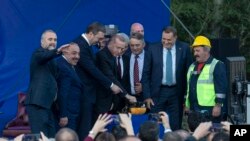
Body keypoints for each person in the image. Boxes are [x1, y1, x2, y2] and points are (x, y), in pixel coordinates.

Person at [142, 26, 193, 130]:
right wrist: (147, 96)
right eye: (163, 39)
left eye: (168, 39)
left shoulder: (184, 48)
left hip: (176, 92)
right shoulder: (152, 48)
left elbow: (189, 74)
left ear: (175, 38)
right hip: (158, 92)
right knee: (155, 124)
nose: (165, 42)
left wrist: (187, 97)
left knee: (175, 124)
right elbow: (146, 74)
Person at [25, 29, 69, 137]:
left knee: (51, 137)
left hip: (48, 106)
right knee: (40, 137)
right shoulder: (38, 53)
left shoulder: (52, 60)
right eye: (50, 39)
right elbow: (44, 56)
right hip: (37, 104)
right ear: (42, 42)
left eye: (55, 39)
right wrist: (58, 51)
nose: (53, 42)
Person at [185, 35, 227, 122]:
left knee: (211, 133)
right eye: (194, 51)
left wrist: (218, 105)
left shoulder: (217, 65)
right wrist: (187, 104)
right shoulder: (192, 66)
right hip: (194, 107)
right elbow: (188, 87)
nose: (195, 53)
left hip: (210, 108)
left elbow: (221, 88)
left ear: (206, 50)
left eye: (198, 51)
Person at [95, 34, 136, 114]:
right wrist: (127, 95)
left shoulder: (112, 56)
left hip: (111, 101)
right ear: (111, 44)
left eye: (122, 49)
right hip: (100, 101)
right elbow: (110, 77)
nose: (120, 51)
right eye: (118, 48)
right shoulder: (102, 56)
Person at [56, 43, 83, 131]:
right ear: (65, 52)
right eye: (74, 53)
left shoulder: (68, 65)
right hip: (67, 115)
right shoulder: (64, 67)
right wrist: (63, 115)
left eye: (78, 53)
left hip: (71, 113)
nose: (77, 56)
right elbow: (63, 93)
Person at [128, 32, 148, 102]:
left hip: (146, 97)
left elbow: (156, 77)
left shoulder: (150, 57)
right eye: (132, 45)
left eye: (137, 45)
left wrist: (144, 87)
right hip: (129, 98)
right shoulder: (125, 57)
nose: (134, 48)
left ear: (143, 45)